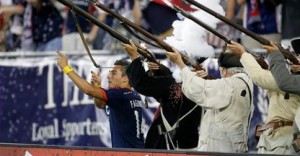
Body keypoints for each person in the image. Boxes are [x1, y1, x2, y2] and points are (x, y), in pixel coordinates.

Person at [166, 49, 254, 153]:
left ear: (224, 71)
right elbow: (217, 90)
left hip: (221, 148)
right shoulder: (246, 82)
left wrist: (180, 64)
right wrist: (205, 79)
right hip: (232, 146)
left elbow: (198, 89)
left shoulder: (230, 85)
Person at [122, 40, 202, 150]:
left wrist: (134, 57)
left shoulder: (174, 85)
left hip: (168, 145)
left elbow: (142, 84)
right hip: (188, 144)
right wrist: (160, 71)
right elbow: (167, 92)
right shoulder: (199, 83)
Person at [56, 51, 144, 148]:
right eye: (110, 72)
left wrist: (66, 68)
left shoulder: (120, 95)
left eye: (114, 73)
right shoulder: (132, 95)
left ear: (126, 79)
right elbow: (101, 105)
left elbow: (88, 90)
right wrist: (98, 86)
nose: (108, 76)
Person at [227, 41, 300, 154]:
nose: (297, 58)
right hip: (276, 140)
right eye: (297, 55)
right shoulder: (292, 79)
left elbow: (260, 77)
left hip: (283, 142)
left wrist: (243, 54)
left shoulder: (291, 82)